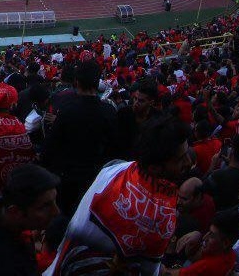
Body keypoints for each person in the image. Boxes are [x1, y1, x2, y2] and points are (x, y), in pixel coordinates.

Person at [46, 115, 193, 275]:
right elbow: (150, 268)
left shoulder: (116, 170)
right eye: (180, 159)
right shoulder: (160, 215)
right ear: (155, 168)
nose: (188, 162)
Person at [43, 60, 116, 212]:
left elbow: (50, 147)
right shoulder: (109, 111)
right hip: (98, 180)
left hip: (69, 180)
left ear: (76, 82)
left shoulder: (67, 111)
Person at [0, 163, 62, 276]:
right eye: (45, 206)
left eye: (54, 201)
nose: (56, 212)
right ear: (15, 212)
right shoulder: (4, 267)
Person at [166, 210, 239, 276]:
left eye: (212, 235)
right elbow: (194, 257)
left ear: (225, 243)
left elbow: (165, 273)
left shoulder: (206, 266)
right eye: (208, 232)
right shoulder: (230, 255)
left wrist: (169, 250)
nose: (205, 238)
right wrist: (197, 234)